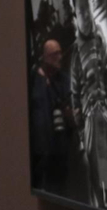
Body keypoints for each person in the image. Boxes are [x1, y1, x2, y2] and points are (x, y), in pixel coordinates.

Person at [68, 0, 107, 210]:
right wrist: (79, 133)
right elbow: (75, 95)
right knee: (97, 175)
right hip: (89, 121)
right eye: (80, 10)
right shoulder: (75, 52)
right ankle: (102, 207)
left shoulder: (99, 38)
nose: (86, 14)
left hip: (105, 115)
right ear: (74, 14)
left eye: (88, 6)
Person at [28, 38, 76, 195]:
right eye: (55, 54)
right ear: (46, 57)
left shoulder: (64, 80)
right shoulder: (34, 79)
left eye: (60, 53)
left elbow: (71, 107)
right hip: (40, 152)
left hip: (60, 152)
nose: (60, 57)